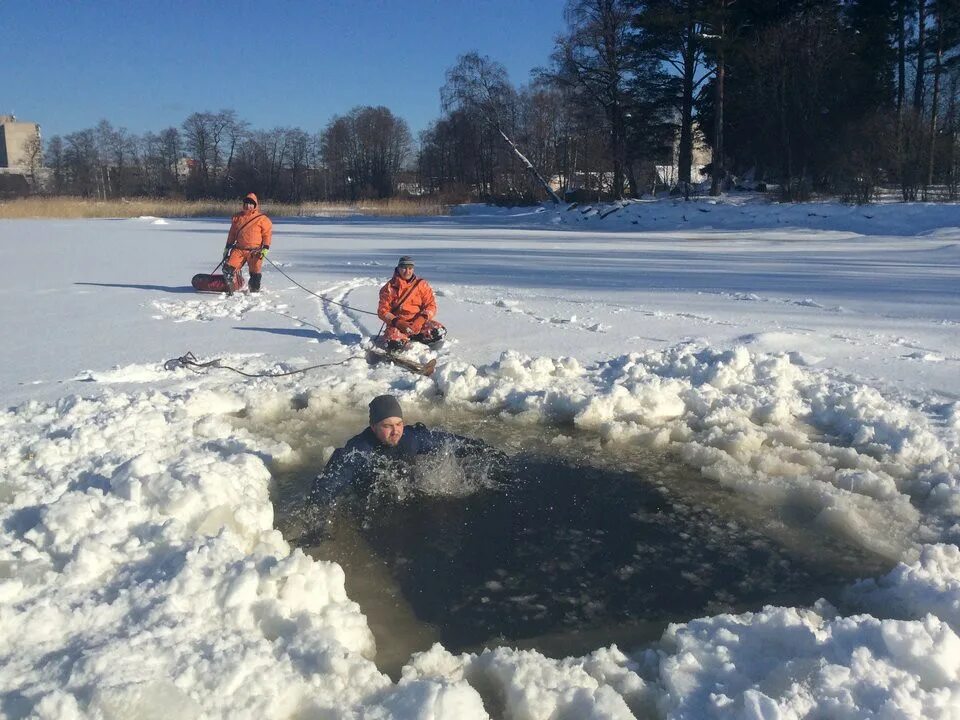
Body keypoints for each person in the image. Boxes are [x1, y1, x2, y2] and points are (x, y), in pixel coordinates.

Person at [310, 394, 500, 511]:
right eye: (387, 426)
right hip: (371, 505)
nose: (396, 431)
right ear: (373, 426)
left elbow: (448, 442)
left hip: (407, 494)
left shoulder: (411, 438)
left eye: (399, 424)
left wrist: (482, 448)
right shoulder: (358, 451)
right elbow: (326, 487)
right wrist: (316, 524)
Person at [377, 256, 446, 350]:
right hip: (398, 325)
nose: (407, 271)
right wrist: (398, 322)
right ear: (398, 269)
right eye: (404, 268)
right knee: (393, 344)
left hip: (418, 323)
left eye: (410, 268)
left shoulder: (421, 285)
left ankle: (414, 337)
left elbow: (431, 305)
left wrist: (421, 320)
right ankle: (401, 341)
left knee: (439, 331)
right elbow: (382, 311)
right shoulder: (388, 288)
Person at [223, 192, 272, 295]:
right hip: (239, 249)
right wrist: (227, 247)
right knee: (228, 268)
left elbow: (267, 234)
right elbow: (232, 234)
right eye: (246, 203)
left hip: (255, 251)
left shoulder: (262, 219)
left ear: (255, 205)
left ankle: (254, 291)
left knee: (255, 273)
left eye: (250, 203)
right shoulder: (237, 218)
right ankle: (232, 287)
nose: (248, 205)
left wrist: (266, 247)